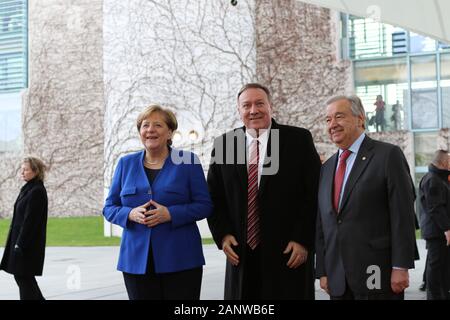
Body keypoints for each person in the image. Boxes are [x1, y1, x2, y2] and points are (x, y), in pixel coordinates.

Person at [207, 83, 321, 300]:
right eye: (246, 105)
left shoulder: (298, 140)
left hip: (288, 253)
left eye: (259, 103)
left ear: (271, 106)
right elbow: (214, 196)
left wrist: (303, 239)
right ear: (239, 110)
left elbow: (313, 193)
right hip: (241, 254)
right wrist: (223, 235)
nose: (253, 110)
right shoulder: (224, 144)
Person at [103, 104, 213, 300]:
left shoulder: (187, 161)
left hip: (182, 259)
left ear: (170, 132)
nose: (150, 130)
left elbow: (204, 205)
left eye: (158, 125)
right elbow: (109, 207)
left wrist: (170, 214)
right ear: (140, 132)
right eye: (145, 125)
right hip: (136, 262)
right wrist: (129, 214)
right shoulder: (125, 164)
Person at [316, 95, 416, 300]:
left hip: (378, 274)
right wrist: (323, 269)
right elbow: (323, 221)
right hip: (338, 279)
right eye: (328, 120)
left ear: (360, 118)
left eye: (339, 117)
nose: (332, 125)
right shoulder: (326, 168)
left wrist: (401, 266)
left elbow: (402, 214)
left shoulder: (388, 155)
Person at [0, 157, 48, 300]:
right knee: (24, 279)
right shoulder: (29, 188)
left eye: (26, 169)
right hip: (21, 242)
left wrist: (19, 244)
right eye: (22, 169)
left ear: (36, 171)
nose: (22, 172)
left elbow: (30, 222)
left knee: (24, 278)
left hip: (26, 245)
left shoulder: (37, 191)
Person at [418, 150, 450, 300]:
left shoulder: (439, 178)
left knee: (442, 266)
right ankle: (434, 296)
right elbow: (435, 207)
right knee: (436, 266)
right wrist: (447, 229)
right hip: (437, 232)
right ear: (443, 163)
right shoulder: (433, 180)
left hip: (440, 230)